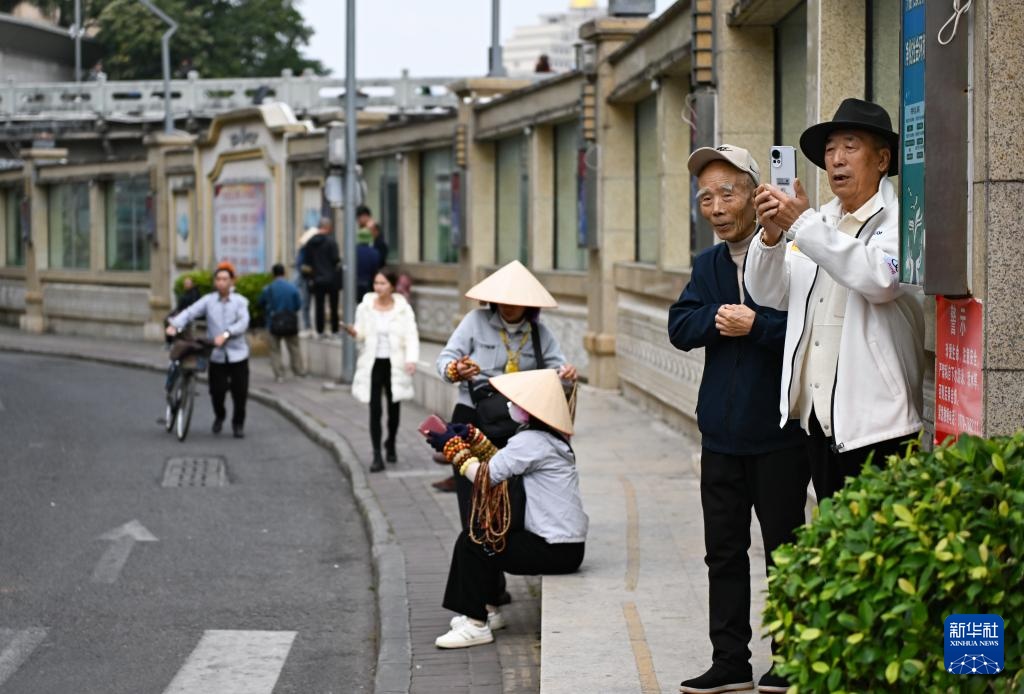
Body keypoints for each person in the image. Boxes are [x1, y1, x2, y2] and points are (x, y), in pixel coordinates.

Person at [669, 145, 810, 694]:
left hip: (778, 435)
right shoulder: (706, 265)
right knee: (722, 552)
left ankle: (792, 658)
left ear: (756, 193)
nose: (717, 206)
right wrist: (716, 319)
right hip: (720, 436)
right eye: (706, 197)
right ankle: (729, 662)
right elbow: (680, 325)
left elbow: (805, 329)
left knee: (785, 549)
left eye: (728, 192)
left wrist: (758, 326)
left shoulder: (797, 252)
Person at [748, 98, 925, 501]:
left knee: (877, 548)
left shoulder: (902, 220)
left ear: (882, 159)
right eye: (830, 150)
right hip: (820, 423)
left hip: (879, 426)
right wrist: (773, 237)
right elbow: (769, 293)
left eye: (849, 146)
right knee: (834, 544)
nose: (836, 159)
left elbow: (881, 279)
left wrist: (802, 225)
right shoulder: (820, 221)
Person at [426, 369, 587, 649]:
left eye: (517, 403)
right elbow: (504, 462)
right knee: (485, 538)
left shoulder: (532, 441)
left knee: (474, 542)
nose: (511, 406)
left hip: (554, 549)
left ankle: (477, 624)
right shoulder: (548, 438)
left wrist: (454, 449)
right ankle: (485, 611)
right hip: (567, 548)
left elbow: (484, 476)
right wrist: (473, 437)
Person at [434, 259, 578, 502]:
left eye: (515, 301)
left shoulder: (540, 333)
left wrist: (567, 377)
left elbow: (557, 376)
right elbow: (445, 360)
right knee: (471, 495)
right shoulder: (474, 321)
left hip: (517, 426)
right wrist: (457, 369)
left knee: (510, 497)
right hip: (473, 415)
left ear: (528, 304)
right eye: (503, 300)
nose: (508, 306)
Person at [345, 268, 420, 472]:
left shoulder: (403, 308)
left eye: (383, 283)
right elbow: (362, 333)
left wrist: (411, 359)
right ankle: (377, 454)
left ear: (392, 286)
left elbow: (411, 335)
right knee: (375, 410)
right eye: (376, 283)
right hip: (373, 363)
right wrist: (354, 332)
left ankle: (391, 443)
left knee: (394, 410)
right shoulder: (365, 306)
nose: (378, 287)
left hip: (395, 363)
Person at [166, 262, 251, 438]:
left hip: (238, 355)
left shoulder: (240, 302)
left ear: (232, 281)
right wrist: (175, 324)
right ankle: (220, 416)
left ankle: (238, 424)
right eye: (218, 279)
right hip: (217, 355)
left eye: (225, 279)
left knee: (240, 393)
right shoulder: (208, 300)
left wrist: (227, 334)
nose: (221, 282)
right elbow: (189, 312)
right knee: (216, 391)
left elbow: (243, 322)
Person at [259, 263, 305, 383]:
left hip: (273, 323)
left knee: (275, 350)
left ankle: (280, 375)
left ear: (273, 274)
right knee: (294, 348)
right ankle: (298, 372)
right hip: (290, 322)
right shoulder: (292, 288)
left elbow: (261, 303)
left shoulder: (269, 288)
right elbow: (298, 305)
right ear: (284, 273)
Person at [304, 217, 341, 338]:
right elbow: (336, 260)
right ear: (328, 227)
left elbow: (306, 262)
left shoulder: (310, 243)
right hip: (331, 279)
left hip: (316, 279)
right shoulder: (331, 242)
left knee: (319, 306)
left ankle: (320, 330)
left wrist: (311, 277)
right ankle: (334, 330)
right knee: (333, 306)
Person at [295, 225, 319, 336]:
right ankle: (307, 326)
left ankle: (312, 327)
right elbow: (300, 265)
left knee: (312, 304)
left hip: (313, 278)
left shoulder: (313, 248)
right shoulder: (304, 250)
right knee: (305, 303)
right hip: (305, 279)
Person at [355, 228, 382, 300]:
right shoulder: (374, 253)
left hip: (355, 284)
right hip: (369, 284)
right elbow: (375, 269)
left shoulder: (353, 252)